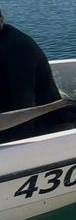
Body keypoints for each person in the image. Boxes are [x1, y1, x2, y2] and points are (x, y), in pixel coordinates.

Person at [0, 8, 62, 142]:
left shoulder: (19, 48)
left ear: (2, 20)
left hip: (38, 120)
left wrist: (18, 147)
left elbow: (24, 105)